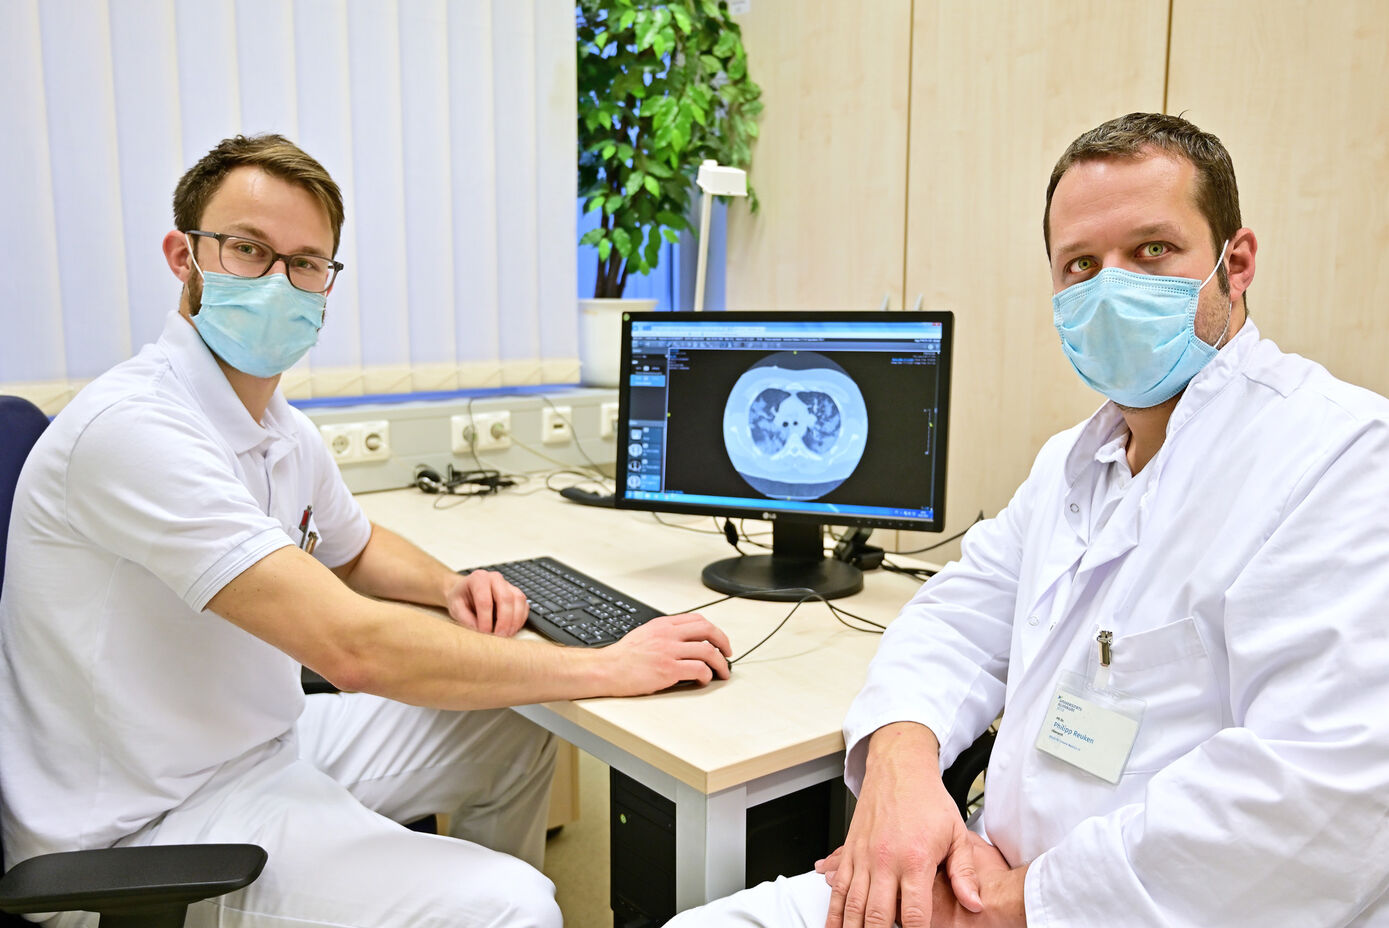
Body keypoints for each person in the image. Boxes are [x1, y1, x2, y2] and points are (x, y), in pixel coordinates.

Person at [667, 113, 1389, 927]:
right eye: (1080, 265)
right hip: (982, 873)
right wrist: (903, 768)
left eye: (1151, 251)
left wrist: (1008, 902)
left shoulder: (1342, 458)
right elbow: (954, 618)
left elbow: (1325, 796)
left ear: (1237, 262)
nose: (1110, 288)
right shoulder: (1073, 463)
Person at [0, 133, 732, 928]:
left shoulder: (275, 424)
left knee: (511, 724)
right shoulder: (133, 431)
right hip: (140, 830)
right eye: (249, 250)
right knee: (513, 906)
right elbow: (356, 648)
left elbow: (355, 547)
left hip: (256, 748)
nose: (280, 282)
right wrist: (604, 666)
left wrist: (449, 585)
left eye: (306, 262)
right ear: (184, 256)